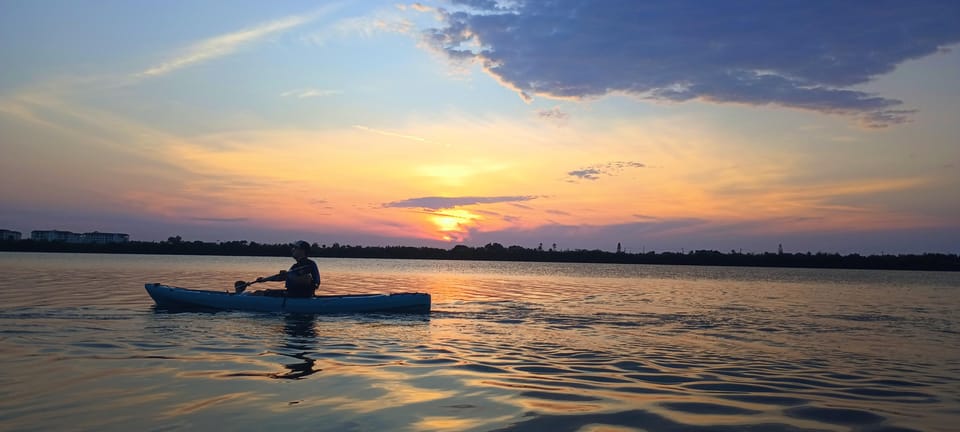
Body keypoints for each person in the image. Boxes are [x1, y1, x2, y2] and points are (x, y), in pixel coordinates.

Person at [255, 240, 321, 298]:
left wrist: (288, 275)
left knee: (260, 293)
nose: (292, 250)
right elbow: (283, 277)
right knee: (260, 292)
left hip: (299, 295)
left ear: (302, 251)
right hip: (294, 294)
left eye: (295, 248)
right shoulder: (296, 266)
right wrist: (264, 279)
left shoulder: (307, 264)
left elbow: (306, 279)